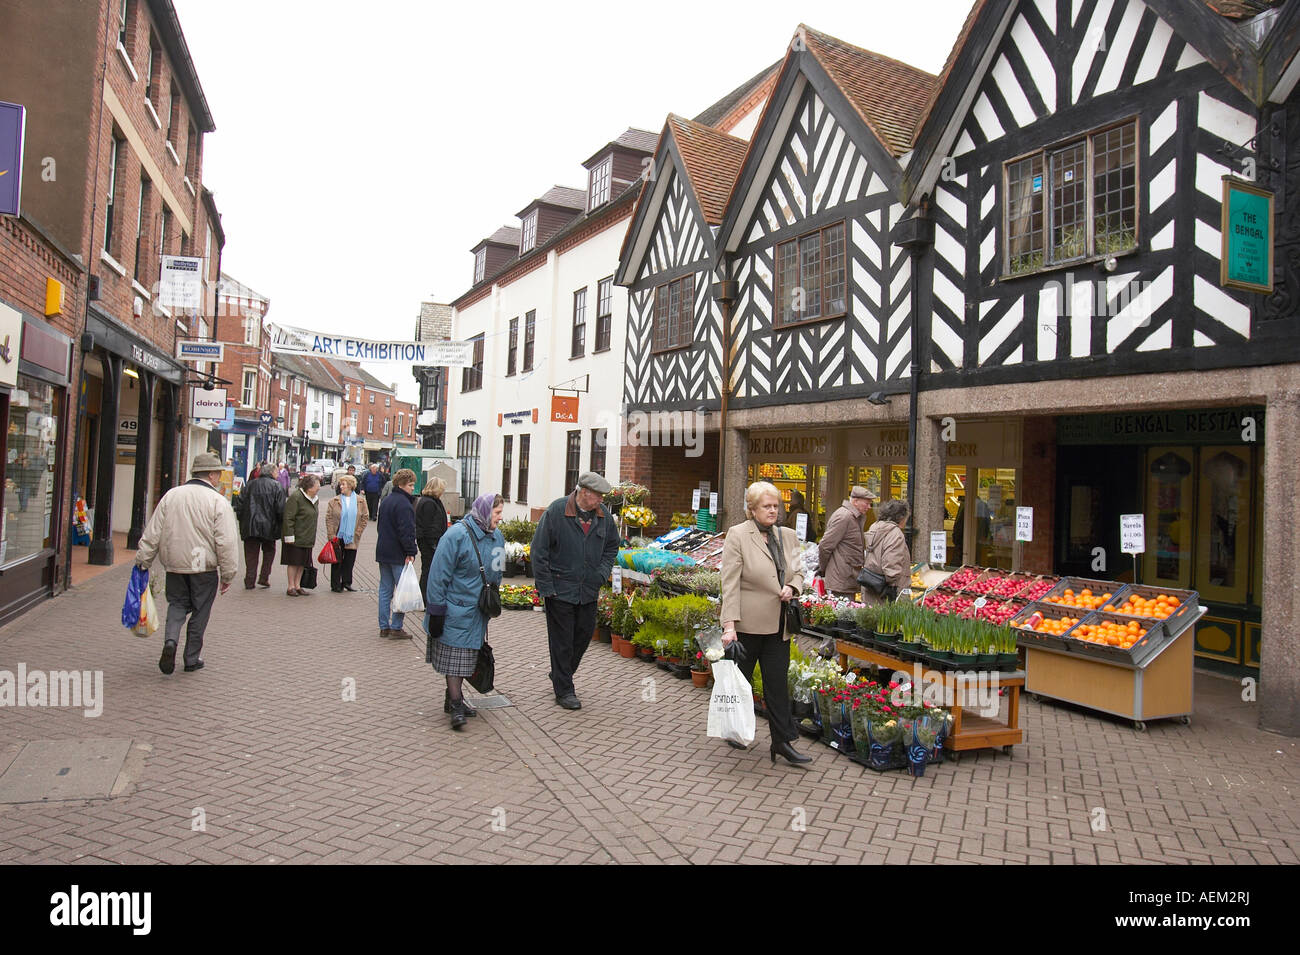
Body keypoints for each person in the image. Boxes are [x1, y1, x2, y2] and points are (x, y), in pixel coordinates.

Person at [719, 481, 810, 766]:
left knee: (777, 684)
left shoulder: (789, 536)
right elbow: (729, 584)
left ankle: (782, 742)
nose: (773, 511)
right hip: (746, 625)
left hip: (779, 625)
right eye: (766, 507)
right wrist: (729, 626)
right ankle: (734, 729)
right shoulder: (738, 535)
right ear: (752, 510)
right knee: (740, 683)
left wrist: (793, 588)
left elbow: (799, 573)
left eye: (776, 506)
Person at [134, 451, 240, 675]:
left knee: (177, 605)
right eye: (218, 474)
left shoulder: (171, 496)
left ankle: (170, 641)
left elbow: (153, 531)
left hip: (174, 563)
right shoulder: (218, 501)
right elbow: (226, 542)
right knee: (201, 611)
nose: (219, 478)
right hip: (204, 567)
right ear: (211, 475)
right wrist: (228, 574)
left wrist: (143, 560)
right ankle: (191, 658)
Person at [531, 472, 620, 710]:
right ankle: (565, 691)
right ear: (584, 493)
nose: (601, 500)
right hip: (560, 589)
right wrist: (546, 587)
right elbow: (539, 551)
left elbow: (612, 546)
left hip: (588, 590)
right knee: (562, 642)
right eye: (598, 496)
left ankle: (561, 674)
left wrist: (601, 573)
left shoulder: (603, 517)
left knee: (582, 637)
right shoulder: (557, 512)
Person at [426, 492, 504, 729]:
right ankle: (457, 704)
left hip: (477, 611)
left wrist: (493, 597)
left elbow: (498, 570)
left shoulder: (496, 537)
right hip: (454, 610)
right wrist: (437, 610)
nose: (500, 518)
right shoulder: (456, 536)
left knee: (466, 659)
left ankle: (452, 699)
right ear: (484, 511)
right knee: (455, 659)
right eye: (497, 513)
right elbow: (438, 575)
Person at [375, 467, 418, 639]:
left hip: (383, 550)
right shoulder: (404, 505)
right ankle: (396, 627)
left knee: (385, 590)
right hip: (398, 554)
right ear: (402, 485)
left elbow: (379, 527)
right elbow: (406, 531)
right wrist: (411, 551)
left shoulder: (386, 501)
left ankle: (384, 626)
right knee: (402, 591)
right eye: (410, 485)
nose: (412, 488)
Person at [233, 460, 286, 589]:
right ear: (272, 473)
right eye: (276, 472)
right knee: (269, 551)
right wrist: (280, 523)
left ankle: (250, 580)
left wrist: (242, 520)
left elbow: (239, 504)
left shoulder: (249, 485)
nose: (278, 474)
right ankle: (264, 577)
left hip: (250, 525)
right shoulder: (276, 486)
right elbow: (280, 508)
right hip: (269, 525)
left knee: (251, 553)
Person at [817, 485, 875, 600]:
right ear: (855, 501)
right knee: (842, 614)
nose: (869, 507)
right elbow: (825, 546)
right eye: (866, 503)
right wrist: (823, 569)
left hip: (847, 576)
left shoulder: (854, 517)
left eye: (870, 504)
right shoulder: (844, 517)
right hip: (842, 578)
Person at [862, 499, 911, 605]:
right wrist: (892, 589)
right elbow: (891, 565)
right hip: (887, 592)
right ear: (901, 517)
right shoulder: (895, 534)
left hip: (871, 584)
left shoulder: (875, 527)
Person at [325, 473, 369, 592]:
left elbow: (365, 517)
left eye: (343, 484)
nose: (341, 487)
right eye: (340, 484)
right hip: (337, 534)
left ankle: (346, 582)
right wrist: (331, 534)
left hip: (352, 535)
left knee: (349, 559)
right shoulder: (334, 501)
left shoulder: (360, 501)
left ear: (350, 486)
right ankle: (335, 584)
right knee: (337, 560)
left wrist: (358, 532)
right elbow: (328, 517)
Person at [282, 473, 320, 596]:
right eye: (317, 485)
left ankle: (298, 585)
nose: (319, 487)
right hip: (296, 536)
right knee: (293, 561)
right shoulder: (296, 497)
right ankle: (290, 586)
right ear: (309, 487)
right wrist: (289, 535)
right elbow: (288, 517)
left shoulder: (315, 499)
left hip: (308, 536)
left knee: (303, 562)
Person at [415, 476, 449, 598]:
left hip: (431, 541)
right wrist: (433, 544)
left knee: (428, 570)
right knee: (428, 570)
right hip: (429, 543)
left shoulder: (431, 501)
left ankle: (425, 596)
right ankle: (424, 597)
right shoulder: (429, 503)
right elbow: (427, 526)